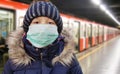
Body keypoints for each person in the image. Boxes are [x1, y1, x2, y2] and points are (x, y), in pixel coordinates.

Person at [2, 0, 83, 74]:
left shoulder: (70, 60)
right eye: (36, 22)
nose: (43, 28)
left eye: (50, 23)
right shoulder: (14, 61)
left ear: (57, 30)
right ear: (27, 28)